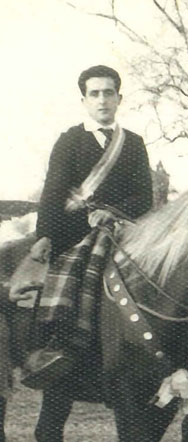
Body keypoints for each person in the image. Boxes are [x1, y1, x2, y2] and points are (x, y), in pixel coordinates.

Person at [22, 65, 153, 387]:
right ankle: (59, 345)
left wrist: (113, 212)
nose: (102, 100)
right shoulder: (69, 141)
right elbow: (53, 193)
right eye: (94, 93)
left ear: (119, 98)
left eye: (108, 92)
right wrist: (45, 236)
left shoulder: (133, 143)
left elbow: (144, 197)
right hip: (75, 233)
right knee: (71, 280)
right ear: (84, 100)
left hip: (121, 232)